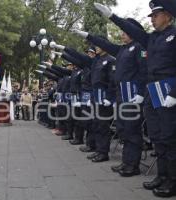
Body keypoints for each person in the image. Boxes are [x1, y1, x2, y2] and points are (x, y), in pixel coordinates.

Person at [95, 1, 176, 197]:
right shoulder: (152, 39)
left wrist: (174, 92)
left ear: (168, 15)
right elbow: (131, 30)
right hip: (153, 90)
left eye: (156, 15)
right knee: (157, 136)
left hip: (168, 88)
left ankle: (173, 180)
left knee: (170, 137)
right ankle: (163, 175)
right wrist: (112, 17)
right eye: (151, 16)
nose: (153, 19)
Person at [73, 18, 148, 177]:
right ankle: (126, 162)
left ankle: (132, 165)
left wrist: (141, 93)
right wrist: (88, 36)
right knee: (122, 129)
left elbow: (143, 72)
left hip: (132, 93)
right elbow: (106, 45)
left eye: (125, 32)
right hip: (122, 93)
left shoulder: (139, 47)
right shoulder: (122, 49)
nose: (122, 35)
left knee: (131, 129)